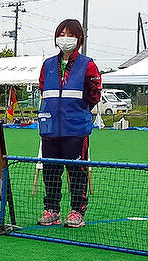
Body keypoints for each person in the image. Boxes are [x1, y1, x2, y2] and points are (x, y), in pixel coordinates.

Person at [37, 18, 101, 228]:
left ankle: (77, 211)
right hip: (50, 128)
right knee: (50, 171)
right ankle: (52, 209)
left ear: (79, 39)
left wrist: (79, 111)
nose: (65, 39)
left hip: (76, 128)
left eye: (70, 35)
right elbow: (43, 89)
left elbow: (94, 94)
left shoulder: (87, 64)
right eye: (61, 35)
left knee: (77, 171)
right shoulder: (48, 65)